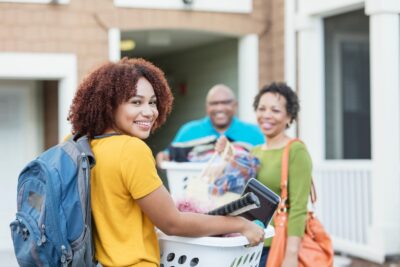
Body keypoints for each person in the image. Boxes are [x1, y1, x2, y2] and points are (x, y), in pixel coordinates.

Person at [67, 57, 265, 267]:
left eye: (152, 102)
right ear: (109, 105)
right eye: (136, 102)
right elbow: (173, 223)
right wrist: (239, 224)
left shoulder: (80, 144)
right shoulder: (132, 150)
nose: (149, 111)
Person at [251, 82, 312, 267]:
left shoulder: (295, 150)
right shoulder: (254, 152)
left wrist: (291, 255)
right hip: (250, 243)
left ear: (289, 117)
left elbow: (299, 207)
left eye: (275, 110)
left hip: (277, 246)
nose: (266, 115)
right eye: (261, 109)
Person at [156, 84, 264, 166]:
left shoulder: (255, 133)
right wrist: (162, 157)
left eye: (226, 103)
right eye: (214, 103)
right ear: (207, 107)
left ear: (235, 105)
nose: (220, 108)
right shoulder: (189, 131)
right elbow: (168, 156)